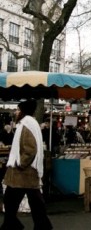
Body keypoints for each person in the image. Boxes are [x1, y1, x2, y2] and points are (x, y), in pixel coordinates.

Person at [1, 99, 52, 230]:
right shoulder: (31, 123)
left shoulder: (26, 125)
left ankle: (11, 224)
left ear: (23, 111)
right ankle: (41, 225)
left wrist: (20, 163)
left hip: (22, 172)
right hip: (27, 172)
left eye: (18, 109)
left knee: (11, 200)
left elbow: (30, 149)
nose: (16, 112)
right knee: (34, 201)